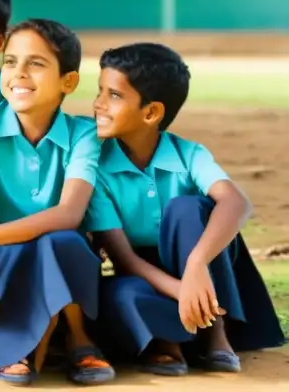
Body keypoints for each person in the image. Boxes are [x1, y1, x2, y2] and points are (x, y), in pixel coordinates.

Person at [87, 43, 285, 375]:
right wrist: (182, 291)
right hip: (143, 275)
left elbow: (236, 201)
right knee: (123, 294)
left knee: (188, 209)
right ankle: (168, 342)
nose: (98, 104)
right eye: (100, 92)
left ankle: (215, 334)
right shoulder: (97, 169)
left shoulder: (188, 154)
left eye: (114, 96)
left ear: (151, 113)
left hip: (205, 270)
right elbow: (126, 261)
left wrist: (195, 266)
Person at [0, 19, 114, 385]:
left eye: (36, 63)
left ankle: (79, 336)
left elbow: (70, 213)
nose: (19, 73)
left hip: (61, 256)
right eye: (10, 61)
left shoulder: (84, 135)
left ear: (67, 81)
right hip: (4, 256)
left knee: (62, 242)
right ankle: (21, 344)